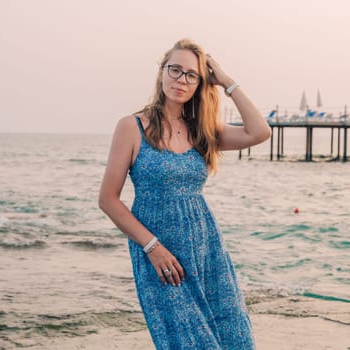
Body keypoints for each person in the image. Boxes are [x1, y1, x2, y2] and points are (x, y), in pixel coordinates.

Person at [98, 38, 271, 349]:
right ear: (162, 72)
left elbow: (259, 131)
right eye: (174, 70)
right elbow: (108, 199)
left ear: (200, 83)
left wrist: (226, 81)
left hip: (208, 249)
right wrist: (153, 247)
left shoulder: (202, 130)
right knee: (185, 341)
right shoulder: (132, 127)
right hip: (161, 256)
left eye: (191, 75)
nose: (181, 79)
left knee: (233, 337)